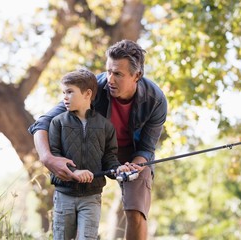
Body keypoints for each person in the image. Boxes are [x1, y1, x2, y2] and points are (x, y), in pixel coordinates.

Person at [29, 39, 168, 240]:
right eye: (109, 71)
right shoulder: (92, 89)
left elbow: (146, 149)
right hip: (95, 148)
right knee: (76, 208)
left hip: (133, 154)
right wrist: (47, 158)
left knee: (136, 210)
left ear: (136, 75)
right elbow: (43, 123)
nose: (110, 79)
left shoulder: (156, 101)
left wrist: (135, 166)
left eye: (118, 74)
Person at [47, 69, 130, 240]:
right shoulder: (58, 123)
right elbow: (54, 156)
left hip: (91, 197)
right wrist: (74, 172)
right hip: (64, 196)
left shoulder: (105, 126)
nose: (65, 97)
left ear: (87, 94)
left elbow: (109, 158)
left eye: (70, 92)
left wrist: (118, 169)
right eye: (63, 92)